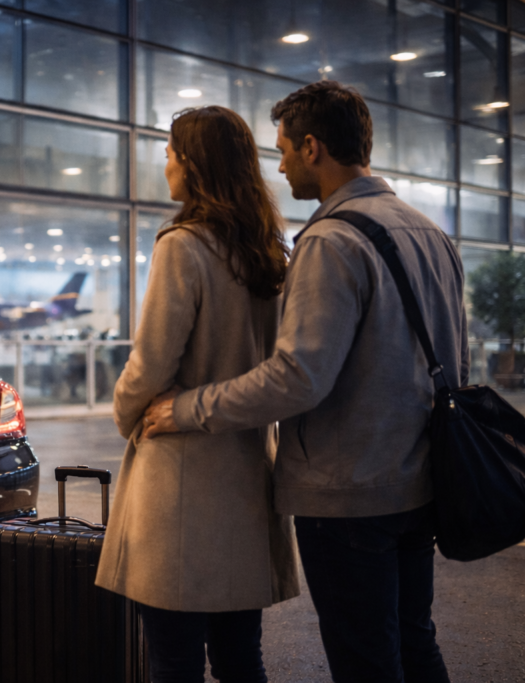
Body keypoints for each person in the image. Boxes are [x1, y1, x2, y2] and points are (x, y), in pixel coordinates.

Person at [143, 82, 466, 683]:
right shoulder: (430, 235)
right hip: (421, 479)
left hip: (348, 490)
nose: (281, 164)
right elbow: (455, 359)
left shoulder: (330, 239)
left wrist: (188, 408)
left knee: (366, 656)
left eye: (285, 149)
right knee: (416, 643)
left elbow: (298, 377)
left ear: (313, 148)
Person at [95, 106, 301, 683]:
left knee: (174, 661)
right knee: (241, 658)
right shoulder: (268, 252)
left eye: (168, 154)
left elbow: (152, 360)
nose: (165, 166)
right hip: (245, 474)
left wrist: (126, 413)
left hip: (179, 481)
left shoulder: (183, 245)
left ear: (192, 163)